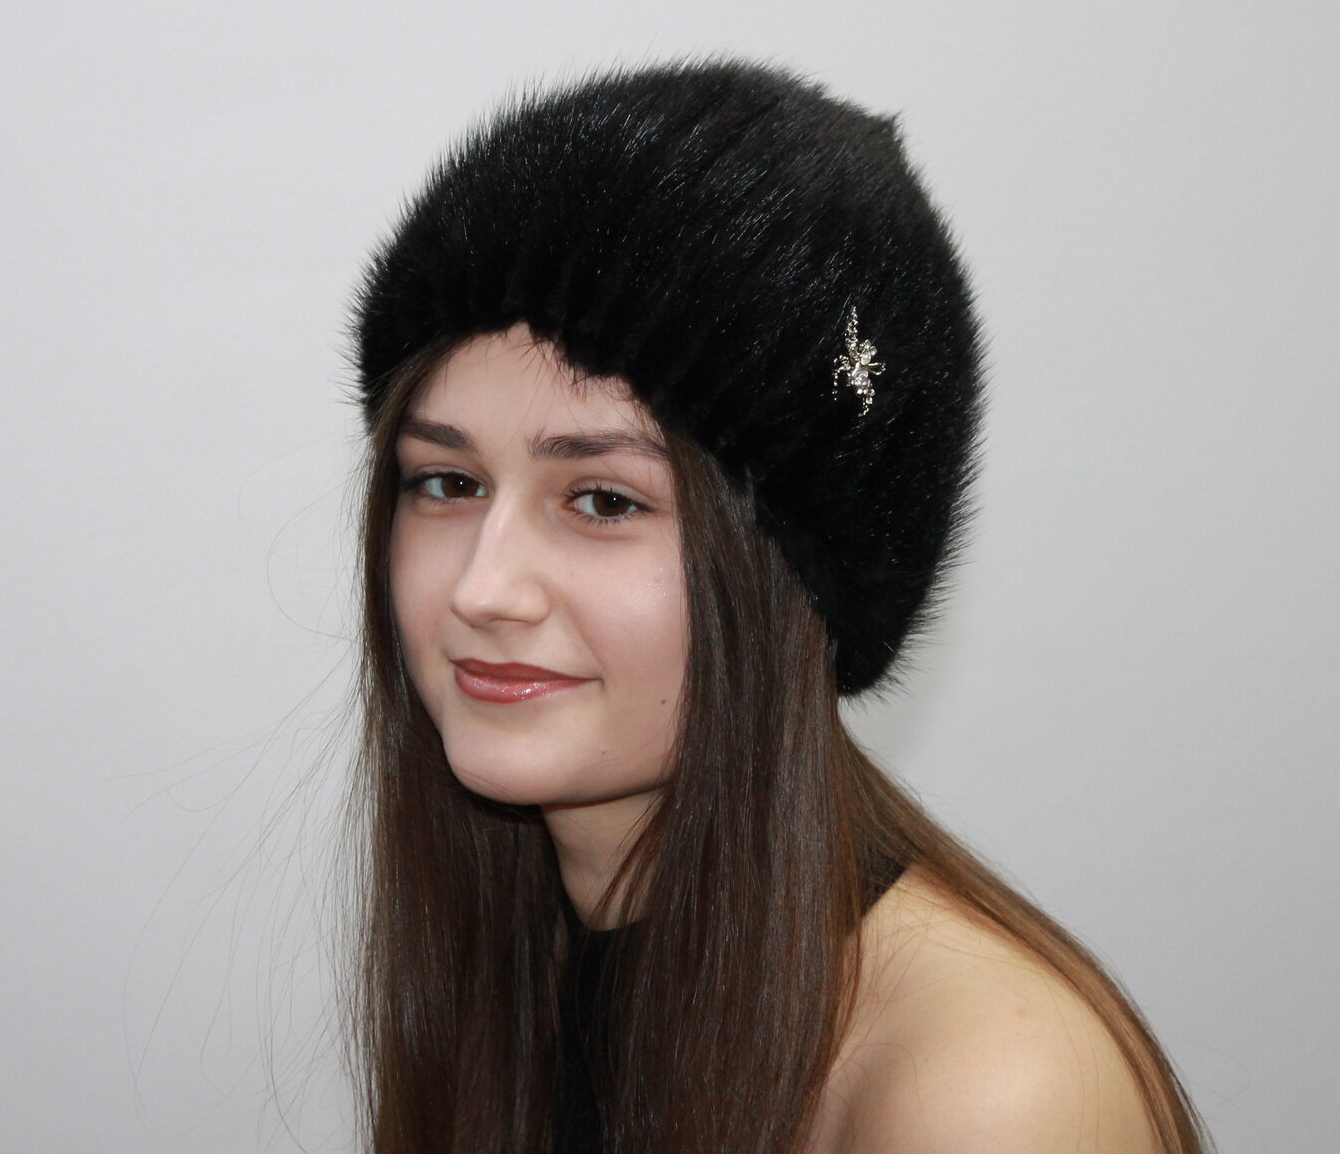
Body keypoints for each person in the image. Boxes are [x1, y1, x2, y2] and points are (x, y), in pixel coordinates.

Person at [335, 57, 1210, 1152]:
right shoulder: (513, 960)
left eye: (602, 499)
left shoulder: (983, 1094)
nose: (481, 587)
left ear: (797, 575)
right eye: (447, 482)